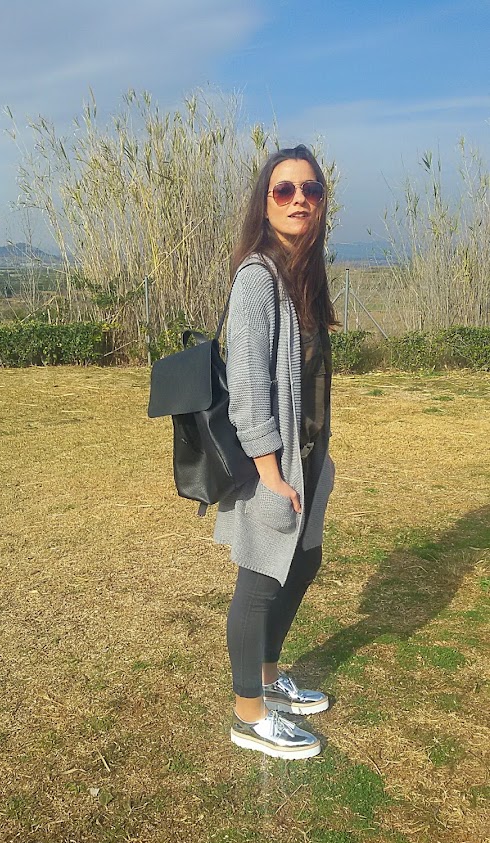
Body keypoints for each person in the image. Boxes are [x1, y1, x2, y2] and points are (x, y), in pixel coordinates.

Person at [213, 145, 337, 759]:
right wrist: (270, 471)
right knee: (260, 579)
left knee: (303, 562)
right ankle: (249, 715)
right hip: (275, 463)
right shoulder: (258, 278)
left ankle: (267, 677)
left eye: (310, 190)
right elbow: (247, 388)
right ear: (265, 203)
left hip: (308, 456)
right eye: (284, 190)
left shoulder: (303, 277)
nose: (298, 200)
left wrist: (317, 461)